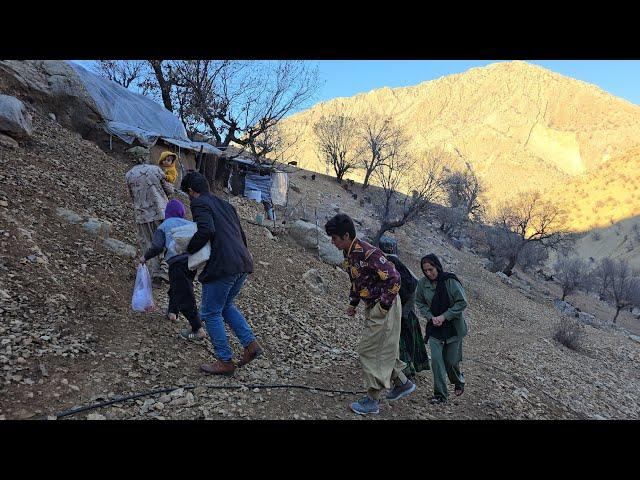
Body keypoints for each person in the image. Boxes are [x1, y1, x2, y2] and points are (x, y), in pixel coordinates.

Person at [325, 214, 416, 415]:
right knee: (382, 347)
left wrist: (382, 308)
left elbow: (394, 278)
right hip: (374, 304)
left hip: (385, 305)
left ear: (346, 235)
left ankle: (372, 400)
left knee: (369, 350)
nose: (332, 242)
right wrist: (353, 303)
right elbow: (358, 281)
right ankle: (402, 383)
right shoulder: (349, 254)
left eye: (335, 238)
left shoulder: (367, 252)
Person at [181, 171, 263, 375]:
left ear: (192, 191)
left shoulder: (199, 203)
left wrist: (189, 249)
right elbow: (241, 236)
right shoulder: (226, 204)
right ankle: (251, 345)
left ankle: (224, 360)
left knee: (210, 311)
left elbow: (206, 230)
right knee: (225, 305)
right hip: (242, 262)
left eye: (188, 193)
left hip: (223, 265)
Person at [140, 199, 206, 341]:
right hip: (192, 262)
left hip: (176, 262)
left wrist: (145, 257)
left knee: (184, 293)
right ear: (182, 212)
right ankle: (172, 312)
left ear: (167, 213)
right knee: (179, 286)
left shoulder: (164, 226)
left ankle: (197, 328)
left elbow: (157, 247)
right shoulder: (190, 224)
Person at [415, 253, 468, 404]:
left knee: (451, 361)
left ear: (437, 266)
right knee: (437, 361)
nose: (428, 273)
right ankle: (440, 395)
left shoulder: (450, 281)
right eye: (425, 270)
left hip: (453, 326)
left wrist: (445, 316)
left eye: (431, 269)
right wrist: (430, 316)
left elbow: (462, 302)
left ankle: (459, 380)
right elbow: (419, 302)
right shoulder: (422, 284)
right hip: (435, 327)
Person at [378, 236, 430, 379]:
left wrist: (403, 313)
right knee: (404, 340)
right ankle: (403, 370)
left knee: (402, 341)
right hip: (400, 310)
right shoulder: (393, 263)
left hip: (403, 311)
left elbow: (411, 287)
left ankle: (405, 372)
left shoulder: (392, 263)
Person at [125, 148, 176, 284]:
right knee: (166, 240)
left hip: (141, 215)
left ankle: (155, 275)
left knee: (149, 244)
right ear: (145, 157)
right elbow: (170, 190)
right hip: (161, 211)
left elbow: (131, 196)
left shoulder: (129, 175)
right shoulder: (156, 170)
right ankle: (165, 270)